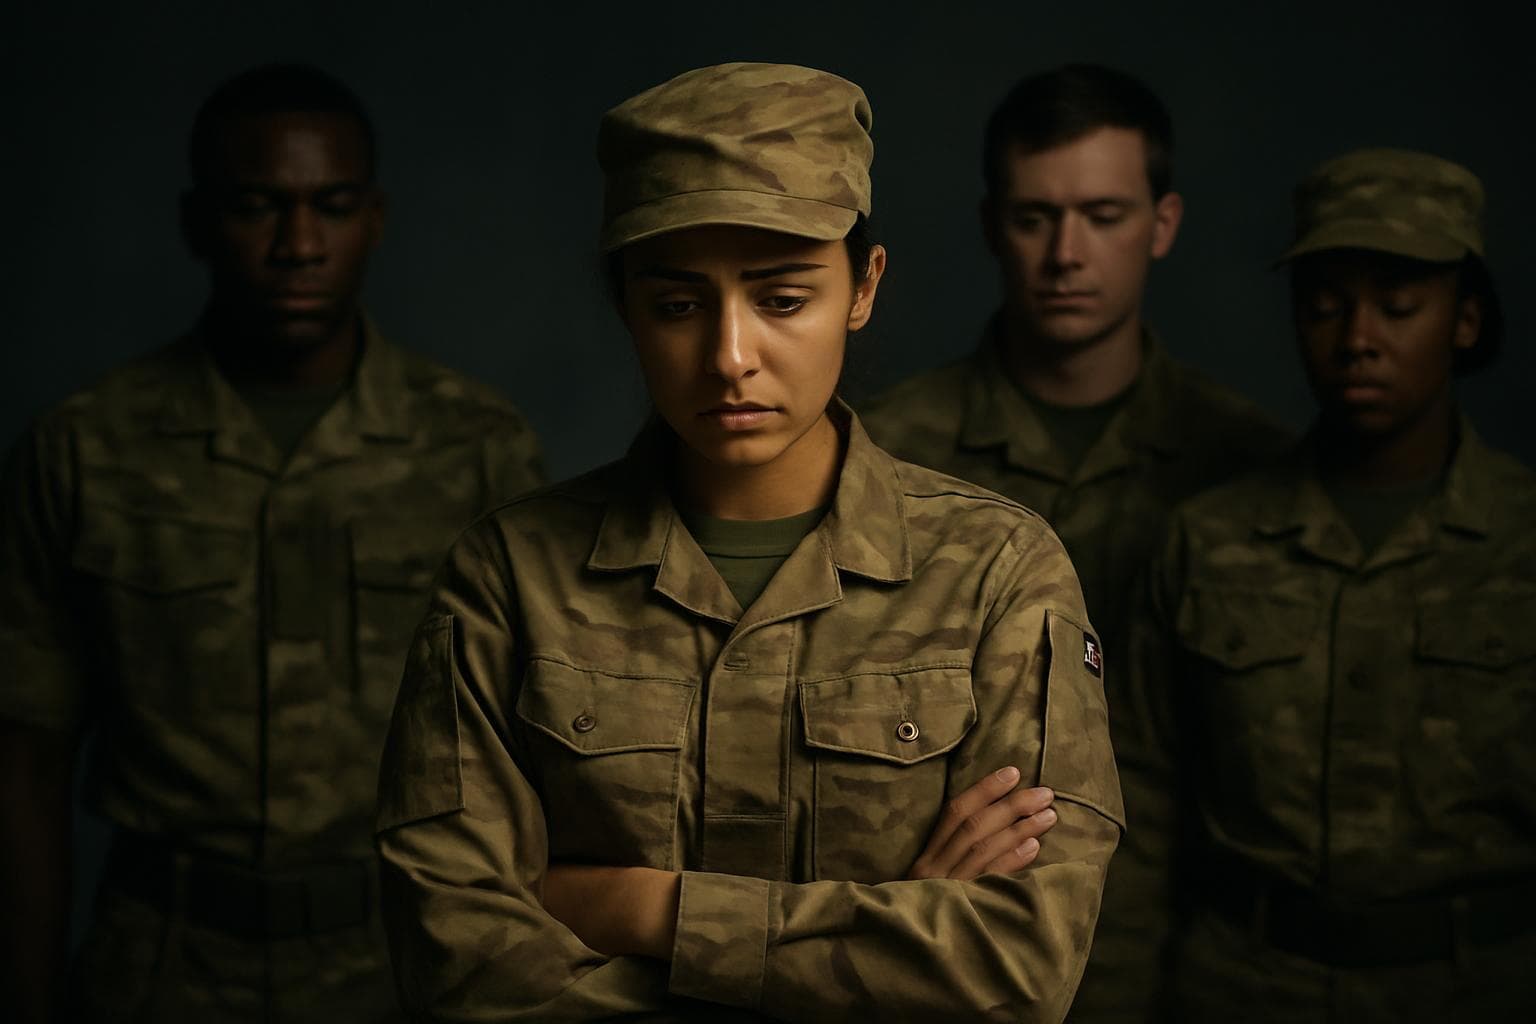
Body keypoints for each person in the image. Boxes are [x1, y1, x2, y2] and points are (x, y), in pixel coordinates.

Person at [376, 61, 1124, 1022]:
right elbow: (460, 965)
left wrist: (638, 905)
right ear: (624, 305)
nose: (731, 357)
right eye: (679, 305)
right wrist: (893, 929)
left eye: (781, 299)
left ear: (864, 287)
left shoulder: (996, 574)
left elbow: (1016, 972)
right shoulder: (510, 578)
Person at [0, 63, 544, 1022]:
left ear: (373, 218)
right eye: (258, 207)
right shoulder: (85, 449)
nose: (298, 245)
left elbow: (542, 756)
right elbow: (24, 761)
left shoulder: (476, 449)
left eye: (330, 207)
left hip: (399, 963)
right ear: (197, 223)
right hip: (157, 973)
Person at [857, 66, 1290, 1015]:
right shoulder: (879, 455)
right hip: (943, 955)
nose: (1065, 254)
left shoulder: (1252, 469)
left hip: (1204, 970)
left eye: (1103, 214)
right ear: (989, 225)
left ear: (1163, 223)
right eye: (1034, 217)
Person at [1115, 147, 1535, 1021]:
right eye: (1325, 306)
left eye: (1399, 306)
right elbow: (1139, 804)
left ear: (1464, 319)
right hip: (1240, 988)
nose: (1358, 340)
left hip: (1482, 988)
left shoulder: (1523, 539)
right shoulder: (1209, 538)